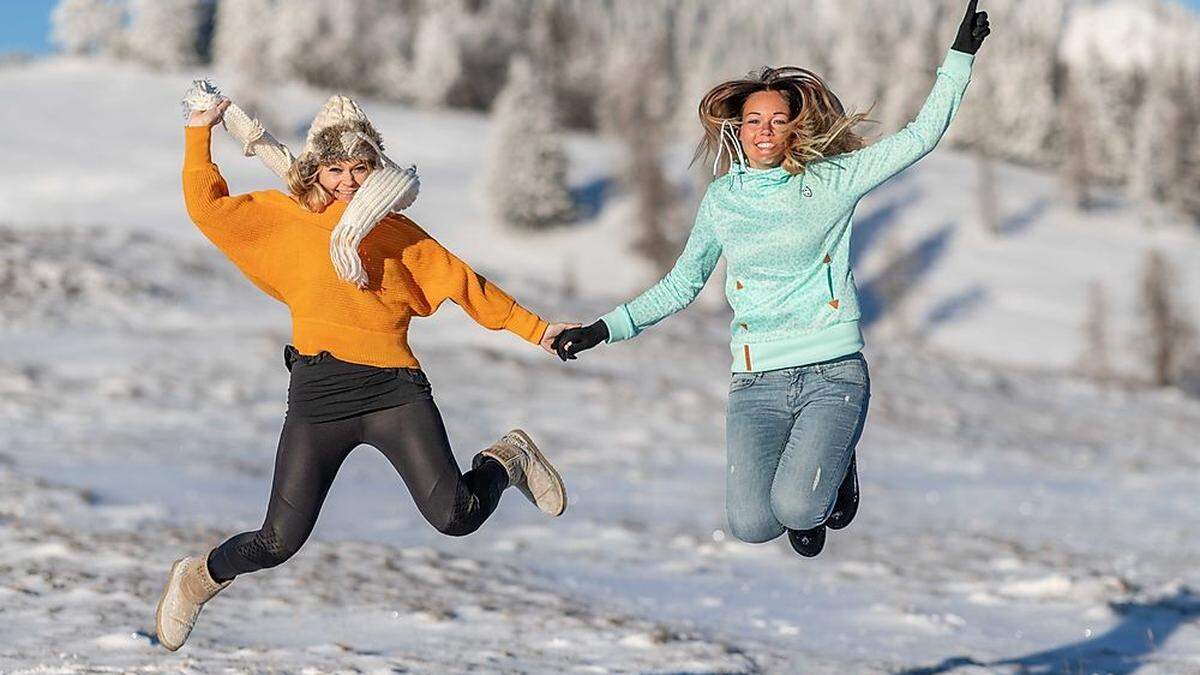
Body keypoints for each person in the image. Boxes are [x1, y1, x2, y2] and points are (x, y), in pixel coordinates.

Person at [554, 2, 990, 558]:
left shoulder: (831, 180)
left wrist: (959, 59)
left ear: (794, 128)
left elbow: (920, 137)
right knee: (753, 525)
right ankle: (818, 473)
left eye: (777, 121)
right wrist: (602, 329)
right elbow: (681, 285)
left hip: (830, 372)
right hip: (755, 383)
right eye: (754, 120)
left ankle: (833, 470)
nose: (764, 131)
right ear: (736, 126)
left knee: (800, 511)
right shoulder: (723, 200)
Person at [155, 94, 574, 651]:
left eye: (361, 167)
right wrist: (198, 130)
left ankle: (508, 459)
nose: (349, 181)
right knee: (277, 542)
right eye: (335, 168)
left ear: (377, 167)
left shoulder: (400, 234)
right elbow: (208, 208)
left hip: (393, 392)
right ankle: (200, 576)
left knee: (456, 515)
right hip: (319, 397)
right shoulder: (286, 218)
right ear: (315, 170)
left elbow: (469, 288)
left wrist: (539, 331)